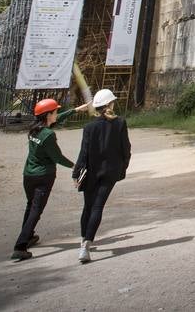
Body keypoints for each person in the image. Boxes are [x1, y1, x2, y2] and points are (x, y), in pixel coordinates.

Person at [12, 97, 88, 261]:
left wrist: (75, 110)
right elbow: (57, 157)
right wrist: (75, 166)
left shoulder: (34, 128)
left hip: (29, 175)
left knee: (30, 205)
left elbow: (56, 120)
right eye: (55, 112)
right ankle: (20, 246)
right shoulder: (48, 135)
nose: (57, 114)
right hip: (43, 176)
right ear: (48, 115)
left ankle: (29, 235)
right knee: (36, 210)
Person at [73, 88, 132, 264]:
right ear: (110, 104)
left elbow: (83, 153)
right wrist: (123, 166)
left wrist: (76, 172)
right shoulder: (120, 123)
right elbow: (126, 149)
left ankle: (84, 240)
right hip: (110, 172)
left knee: (88, 207)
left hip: (91, 171)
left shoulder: (89, 127)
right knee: (97, 207)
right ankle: (86, 245)